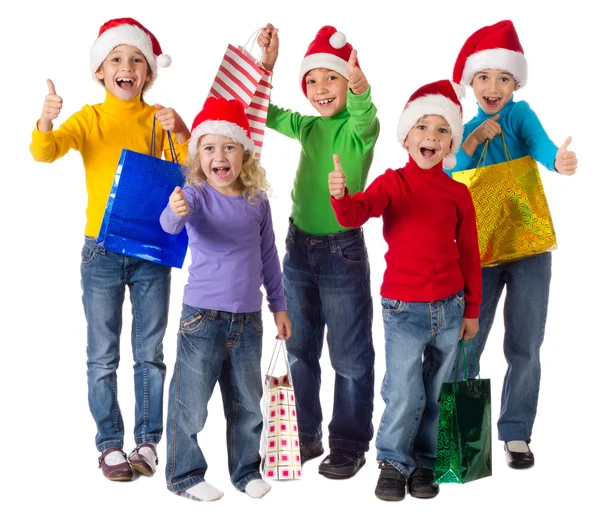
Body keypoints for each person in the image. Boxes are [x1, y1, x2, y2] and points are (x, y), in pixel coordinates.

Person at [29, 17, 190, 482]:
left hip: (150, 249)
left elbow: (190, 170)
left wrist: (178, 129)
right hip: (100, 249)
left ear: (148, 73)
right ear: (100, 71)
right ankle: (109, 444)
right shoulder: (90, 118)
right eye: (116, 59)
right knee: (102, 353)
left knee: (150, 350)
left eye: (137, 60)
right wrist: (46, 119)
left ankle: (146, 442)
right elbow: (45, 151)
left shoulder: (156, 117)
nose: (127, 66)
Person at [330, 80, 482, 501]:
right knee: (403, 389)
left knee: (439, 388)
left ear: (451, 140)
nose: (430, 136)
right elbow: (357, 214)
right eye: (421, 127)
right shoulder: (393, 182)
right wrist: (341, 196)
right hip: (403, 309)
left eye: (440, 130)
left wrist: (472, 309)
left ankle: (427, 463)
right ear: (406, 137)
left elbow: (469, 255)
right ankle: (393, 461)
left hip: (450, 308)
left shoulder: (458, 193)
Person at [449, 20, 578, 469]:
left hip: (527, 246)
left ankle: (516, 434)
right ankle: (463, 442)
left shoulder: (520, 115)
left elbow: (541, 146)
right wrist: (471, 140)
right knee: (468, 342)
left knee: (525, 344)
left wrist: (558, 162)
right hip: (478, 250)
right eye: (484, 77)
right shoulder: (461, 126)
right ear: (471, 82)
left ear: (515, 83)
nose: (493, 86)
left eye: (504, 78)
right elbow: (451, 174)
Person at [258, 23, 379, 480]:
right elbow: (262, 113)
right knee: (300, 349)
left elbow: (367, 116)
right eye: (312, 79)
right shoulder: (308, 125)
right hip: (298, 247)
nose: (321, 88)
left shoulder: (358, 128)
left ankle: (348, 443)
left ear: (349, 83)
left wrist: (363, 90)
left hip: (341, 252)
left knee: (349, 354)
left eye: (333, 78)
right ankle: (304, 433)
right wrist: (267, 67)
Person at [160, 96, 292, 502]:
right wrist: (174, 207)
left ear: (244, 155)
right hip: (202, 318)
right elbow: (169, 225)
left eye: (229, 147)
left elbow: (268, 255)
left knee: (248, 403)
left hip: (248, 320)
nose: (220, 156)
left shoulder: (256, 200)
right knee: (191, 402)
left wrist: (279, 306)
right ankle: (184, 476)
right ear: (198, 155)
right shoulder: (195, 195)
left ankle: (246, 470)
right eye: (210, 148)